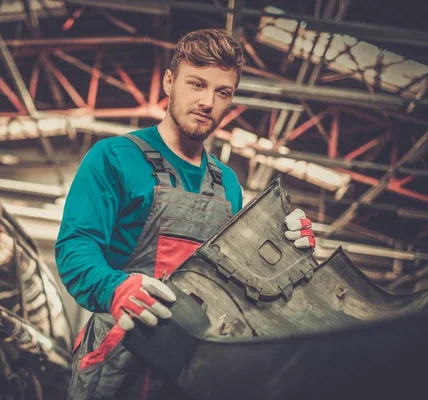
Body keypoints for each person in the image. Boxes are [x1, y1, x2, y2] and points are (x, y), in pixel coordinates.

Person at [55, 28, 316, 400]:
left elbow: (238, 281)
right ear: (169, 81)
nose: (208, 101)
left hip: (193, 370)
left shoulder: (228, 184)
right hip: (117, 359)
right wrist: (116, 287)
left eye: (222, 92)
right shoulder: (114, 157)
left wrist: (291, 253)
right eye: (197, 84)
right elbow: (76, 248)